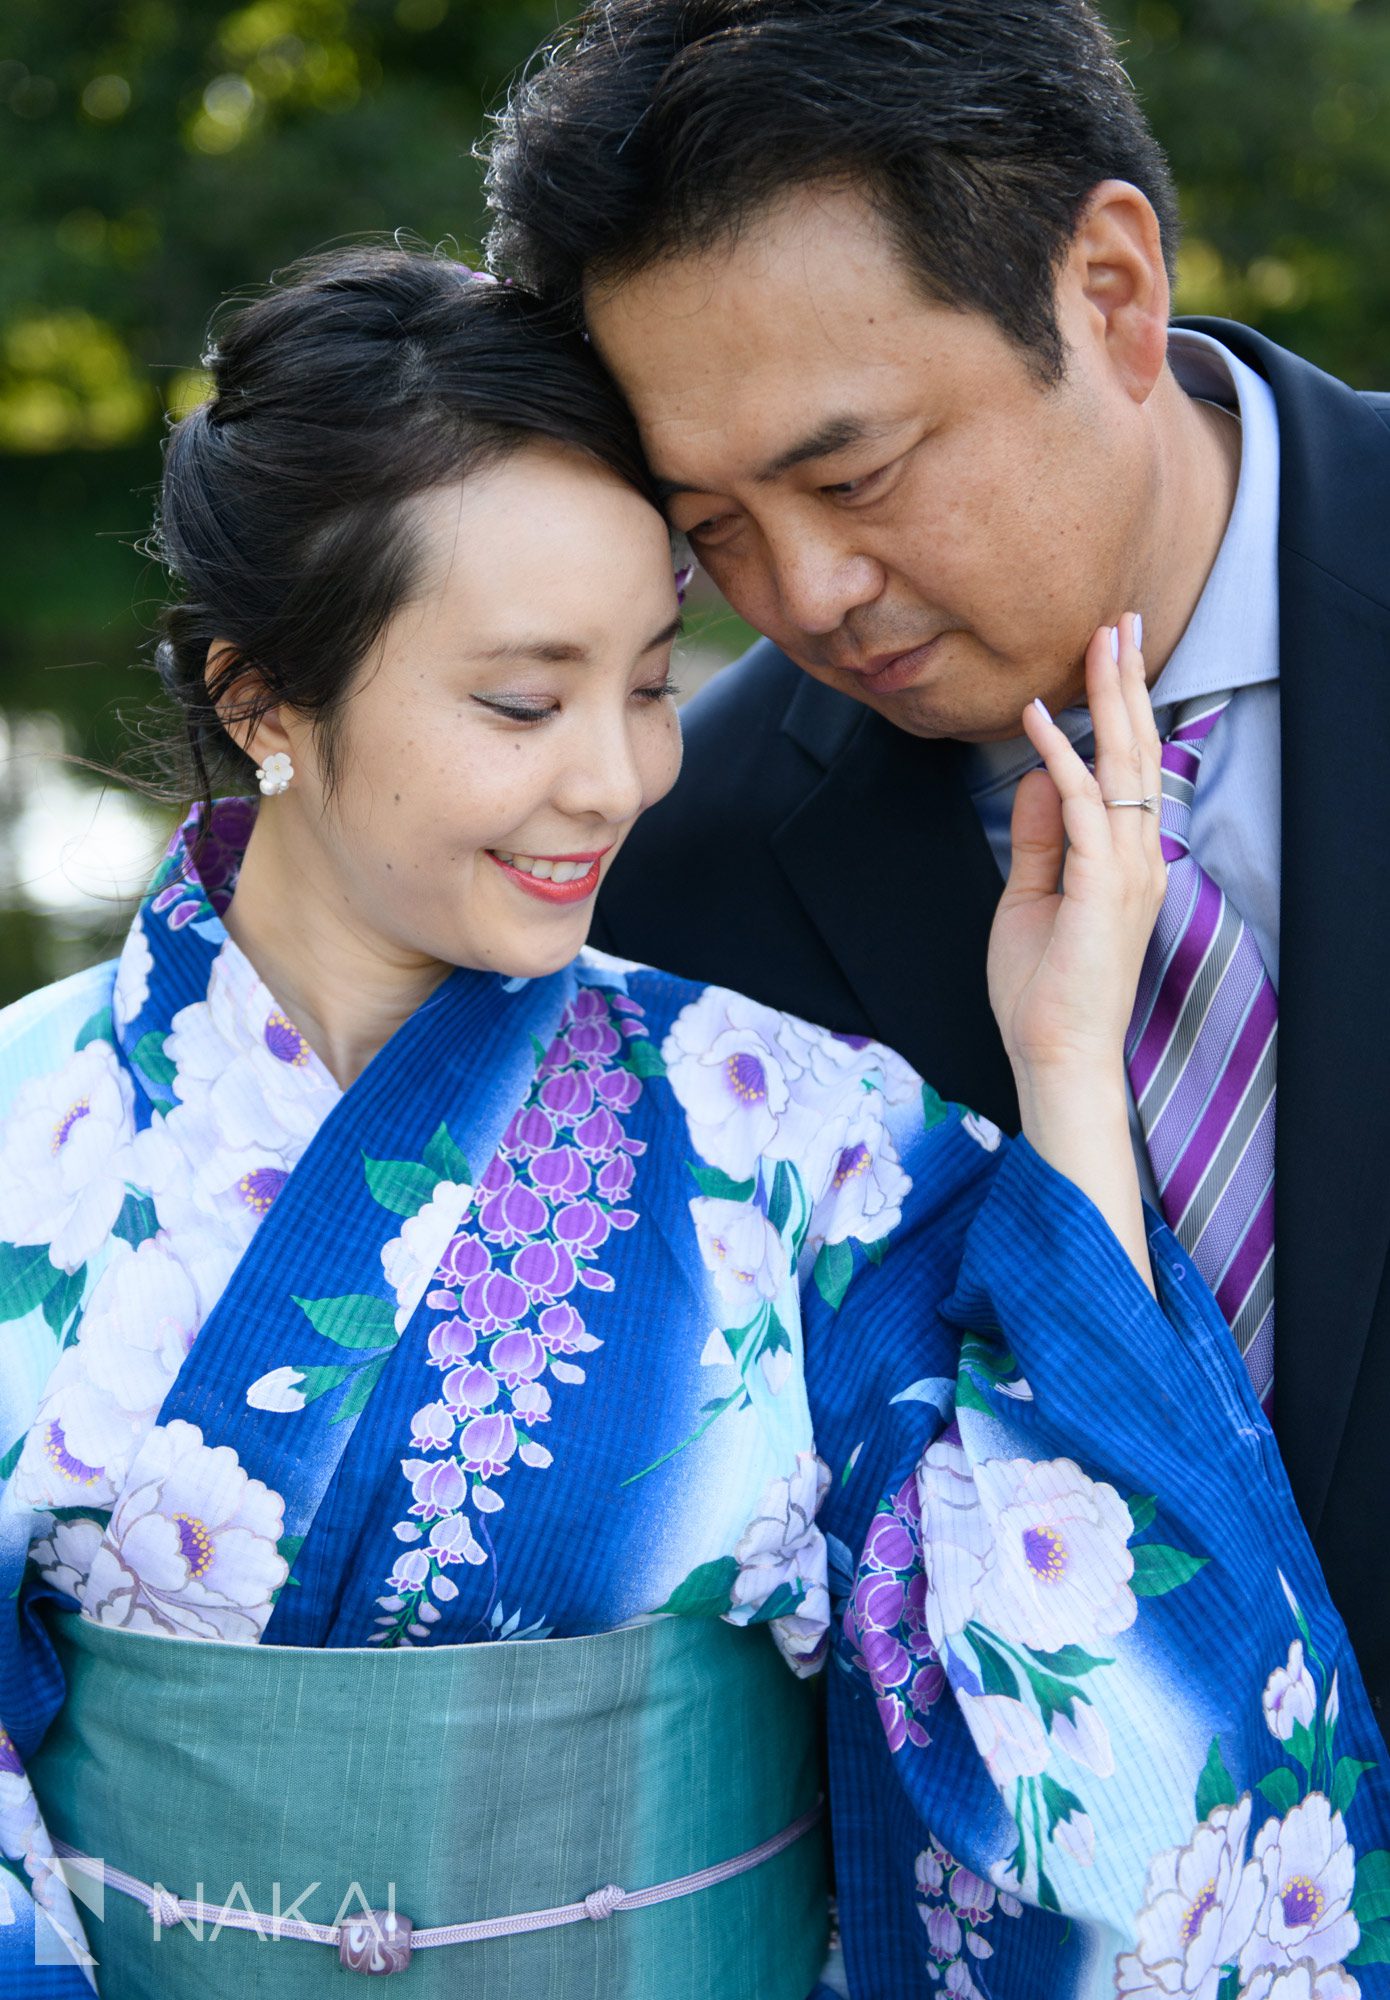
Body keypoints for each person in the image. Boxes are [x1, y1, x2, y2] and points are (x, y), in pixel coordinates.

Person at [0, 248, 1385, 2000]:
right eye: (522, 698)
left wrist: (1064, 1084)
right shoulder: (24, 1144)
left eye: (652, 682)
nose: (616, 780)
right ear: (260, 695)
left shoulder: (798, 1136)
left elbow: (1104, 1719)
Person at [483, 0, 1390, 1730]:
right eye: (715, 530)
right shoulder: (686, 869)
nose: (805, 593)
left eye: (856, 471)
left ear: (1108, 294)